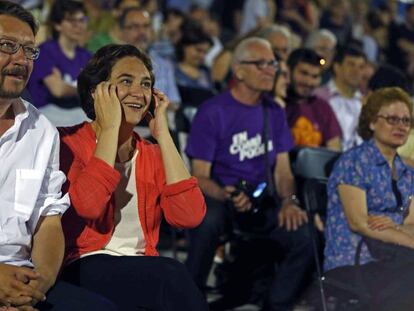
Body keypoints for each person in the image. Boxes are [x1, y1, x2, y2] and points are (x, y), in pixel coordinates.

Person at [58, 44, 208, 311]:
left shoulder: (151, 153)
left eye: (146, 84)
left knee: (168, 279)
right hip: (81, 264)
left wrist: (163, 136)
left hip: (141, 266)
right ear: (97, 91)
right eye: (126, 81)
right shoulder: (65, 143)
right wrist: (110, 127)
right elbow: (88, 205)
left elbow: (189, 217)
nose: (139, 93)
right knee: (171, 276)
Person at [0, 1, 117, 310]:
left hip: (22, 278)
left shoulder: (41, 132)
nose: (20, 59)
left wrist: (38, 284)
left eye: (28, 50)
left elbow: (48, 223)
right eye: (7, 46)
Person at [185, 37, 314, 311]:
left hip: (262, 200)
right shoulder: (213, 111)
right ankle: (189, 297)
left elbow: (283, 170)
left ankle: (274, 304)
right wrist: (224, 193)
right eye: (261, 63)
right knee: (207, 220)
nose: (271, 69)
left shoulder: (274, 111)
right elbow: (198, 175)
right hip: (223, 198)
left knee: (304, 235)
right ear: (239, 70)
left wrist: (290, 201)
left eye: (272, 63)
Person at [324, 87, 414, 310]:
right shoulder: (353, 162)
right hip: (355, 258)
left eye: (405, 120)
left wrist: (395, 226)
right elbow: (359, 223)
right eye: (392, 119)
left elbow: (412, 223)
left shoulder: (408, 171)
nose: (400, 126)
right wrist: (409, 238)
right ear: (372, 122)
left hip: (396, 253)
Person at [26, 0, 91, 126]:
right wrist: (85, 88)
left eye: (82, 20)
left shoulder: (87, 56)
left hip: (76, 112)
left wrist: (69, 87)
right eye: (72, 20)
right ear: (57, 25)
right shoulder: (45, 51)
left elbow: (96, 89)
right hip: (45, 113)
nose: (78, 25)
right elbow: (58, 90)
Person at [285, 48, 342, 150]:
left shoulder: (323, 107)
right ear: (288, 71)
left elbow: (334, 149)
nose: (309, 82)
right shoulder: (276, 106)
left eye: (315, 76)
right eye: (304, 73)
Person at [314, 45, 367, 151]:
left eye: (361, 67)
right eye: (351, 64)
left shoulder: (365, 103)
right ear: (337, 67)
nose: (356, 71)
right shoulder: (319, 97)